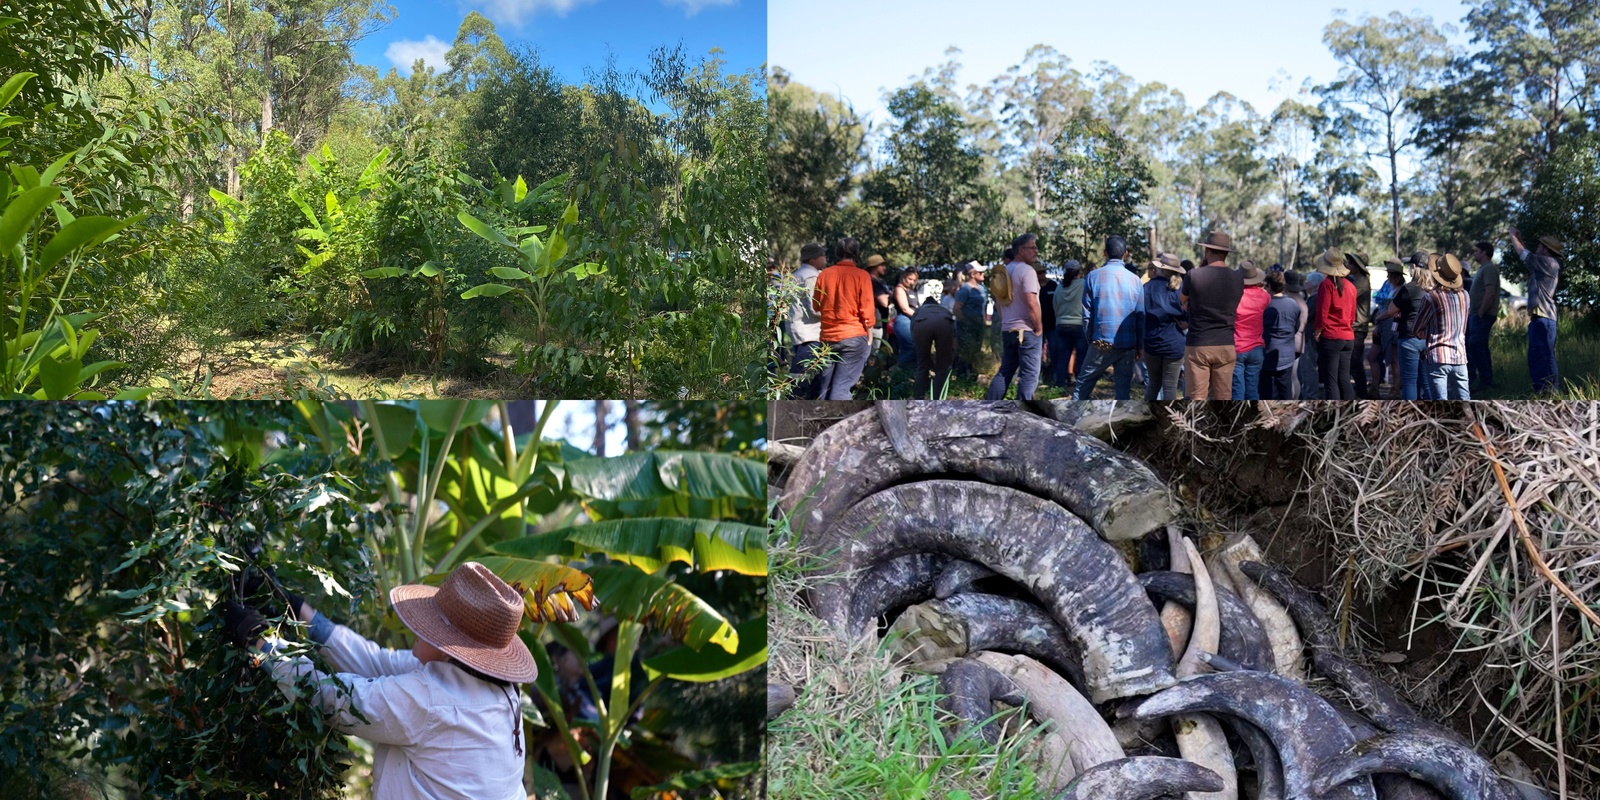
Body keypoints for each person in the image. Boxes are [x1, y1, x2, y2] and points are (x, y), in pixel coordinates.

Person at [221, 562, 537, 800]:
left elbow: (334, 701)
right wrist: (295, 605)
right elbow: (375, 662)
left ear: (448, 644)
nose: (418, 626)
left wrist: (260, 641)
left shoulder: (431, 699)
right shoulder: (494, 686)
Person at [1074, 235, 1144, 400]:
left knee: (1083, 386)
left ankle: (1069, 418)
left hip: (1101, 342)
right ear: (1125, 254)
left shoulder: (1093, 277)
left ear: (1105, 253)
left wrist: (1091, 338)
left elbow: (1087, 315)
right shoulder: (1136, 281)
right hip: (1128, 344)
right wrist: (1140, 345)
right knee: (1123, 390)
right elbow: (1141, 317)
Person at [1180, 231, 1244, 399]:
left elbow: (1182, 300)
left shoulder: (1193, 275)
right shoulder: (1238, 278)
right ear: (1226, 254)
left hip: (1199, 343)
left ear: (1207, 250)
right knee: (1224, 397)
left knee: (1196, 398)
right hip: (1226, 343)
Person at [812, 237, 874, 400]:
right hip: (853, 337)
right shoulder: (862, 275)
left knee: (825, 388)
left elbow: (816, 306)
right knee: (841, 389)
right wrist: (870, 337)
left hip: (828, 338)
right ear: (857, 253)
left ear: (837, 253)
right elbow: (867, 311)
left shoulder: (824, 275)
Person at [985, 234, 1044, 400]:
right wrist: (1038, 328)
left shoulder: (1005, 271)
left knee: (1006, 371)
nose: (1036, 251)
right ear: (1020, 250)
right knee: (1029, 374)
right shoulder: (1027, 271)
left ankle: (989, 405)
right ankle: (1024, 411)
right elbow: (1032, 302)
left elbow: (998, 303)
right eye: (1032, 248)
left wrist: (1006, 320)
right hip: (1026, 330)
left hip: (1008, 328)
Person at [1510, 228, 1562, 394]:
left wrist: (1512, 236)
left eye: (1540, 246)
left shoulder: (1548, 262)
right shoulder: (1544, 264)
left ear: (1546, 249)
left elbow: (1524, 254)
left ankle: (1549, 391)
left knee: (1543, 356)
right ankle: (1544, 390)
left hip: (1544, 317)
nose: (1537, 248)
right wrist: (1519, 238)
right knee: (1539, 356)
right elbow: (1528, 257)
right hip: (1541, 317)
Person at [1414, 253, 1471, 400]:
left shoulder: (1431, 297)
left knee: (1439, 401)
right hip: (1460, 356)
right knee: (1464, 398)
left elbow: (1417, 328)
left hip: (1438, 356)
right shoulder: (1465, 295)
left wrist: (1429, 333)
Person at [1377, 255, 1431, 400]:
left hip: (1409, 336)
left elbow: (1391, 310)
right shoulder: (1433, 289)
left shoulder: (1409, 289)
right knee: (1427, 381)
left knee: (1409, 382)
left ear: (1414, 267)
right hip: (1428, 338)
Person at [1311, 247, 1357, 400]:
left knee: (1331, 381)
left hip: (1331, 337)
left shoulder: (1326, 285)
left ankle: (1334, 411)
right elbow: (1352, 315)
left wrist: (1318, 332)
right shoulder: (1351, 286)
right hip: (1348, 337)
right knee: (1344, 379)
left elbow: (1322, 312)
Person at [1141, 253, 1188, 400]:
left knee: (1153, 385)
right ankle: (1169, 419)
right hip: (1174, 344)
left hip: (1151, 343)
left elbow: (1139, 314)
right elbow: (1189, 313)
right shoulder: (1181, 289)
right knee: (1170, 386)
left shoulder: (1146, 287)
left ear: (1160, 268)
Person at [785, 243, 827, 399]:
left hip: (802, 331)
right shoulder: (810, 277)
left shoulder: (798, 274)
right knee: (802, 378)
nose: (825, 258)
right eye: (822, 255)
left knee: (810, 376)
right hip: (810, 334)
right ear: (813, 259)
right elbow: (815, 308)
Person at [1231, 261, 1271, 400]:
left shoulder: (1235, 296)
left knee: (1237, 390)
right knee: (1253, 390)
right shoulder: (1265, 296)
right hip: (1257, 347)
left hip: (1237, 347)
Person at [1260, 269, 1301, 399]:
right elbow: (1296, 327)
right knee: (1285, 391)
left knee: (1267, 393)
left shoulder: (1265, 305)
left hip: (1267, 354)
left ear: (1269, 286)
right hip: (1287, 355)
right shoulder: (1293, 304)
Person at [1465, 240, 1500, 393]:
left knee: (1475, 345)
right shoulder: (1482, 269)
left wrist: (1481, 311)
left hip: (1483, 315)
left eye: (1477, 251)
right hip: (1476, 315)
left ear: (1485, 252)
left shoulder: (1489, 269)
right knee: (1479, 346)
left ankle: (1485, 381)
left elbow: (1490, 291)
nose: (1474, 253)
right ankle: (1486, 380)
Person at [1370, 259, 1404, 397]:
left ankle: (1396, 387)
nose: (1387, 277)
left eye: (1389, 274)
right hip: (1384, 326)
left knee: (1394, 359)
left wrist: (1379, 318)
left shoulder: (1400, 290)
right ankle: (1375, 388)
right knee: (1372, 356)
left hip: (1393, 327)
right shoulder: (1391, 288)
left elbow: (1393, 310)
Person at [910, 296, 956, 398]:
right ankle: (938, 397)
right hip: (944, 322)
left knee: (922, 365)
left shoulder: (919, 310)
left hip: (922, 323)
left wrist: (925, 358)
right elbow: (954, 331)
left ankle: (919, 397)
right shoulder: (943, 309)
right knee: (942, 366)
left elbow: (913, 335)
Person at [1344, 251, 1375, 398]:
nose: (1347, 265)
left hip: (1357, 328)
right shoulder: (1356, 280)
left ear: (1356, 266)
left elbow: (1346, 296)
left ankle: (1362, 393)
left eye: (1350, 263)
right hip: (1354, 327)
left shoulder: (1361, 282)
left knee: (1355, 362)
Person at [1050, 260, 1085, 389]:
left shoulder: (1059, 287)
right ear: (1079, 272)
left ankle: (1060, 383)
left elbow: (1055, 305)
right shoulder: (1084, 284)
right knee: (1082, 357)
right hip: (1079, 325)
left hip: (1061, 325)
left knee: (1063, 356)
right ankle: (1082, 386)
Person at [953, 261, 989, 378]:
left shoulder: (983, 289)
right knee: (965, 352)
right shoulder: (965, 289)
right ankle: (962, 377)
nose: (983, 274)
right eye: (980, 272)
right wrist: (966, 322)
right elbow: (957, 309)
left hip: (978, 324)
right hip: (966, 326)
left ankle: (972, 375)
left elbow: (983, 308)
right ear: (973, 274)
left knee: (976, 351)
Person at [892, 268, 920, 367]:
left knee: (912, 348)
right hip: (903, 321)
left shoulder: (911, 290)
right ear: (903, 277)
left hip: (912, 321)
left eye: (914, 280)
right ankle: (898, 370)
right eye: (909, 279)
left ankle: (907, 372)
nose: (912, 282)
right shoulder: (899, 289)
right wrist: (920, 316)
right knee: (911, 347)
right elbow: (904, 308)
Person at [865, 254, 893, 351]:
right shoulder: (872, 281)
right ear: (874, 267)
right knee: (874, 356)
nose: (885, 268)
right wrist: (891, 296)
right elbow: (884, 302)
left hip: (882, 323)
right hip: (875, 325)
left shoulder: (880, 282)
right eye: (882, 265)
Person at [1036, 262, 1058, 380]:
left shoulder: (1053, 285)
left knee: (1054, 349)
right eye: (1039, 272)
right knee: (1037, 351)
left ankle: (1054, 374)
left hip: (1052, 324)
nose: (1042, 275)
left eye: (1043, 272)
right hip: (1037, 324)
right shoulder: (1033, 286)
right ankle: (1038, 375)